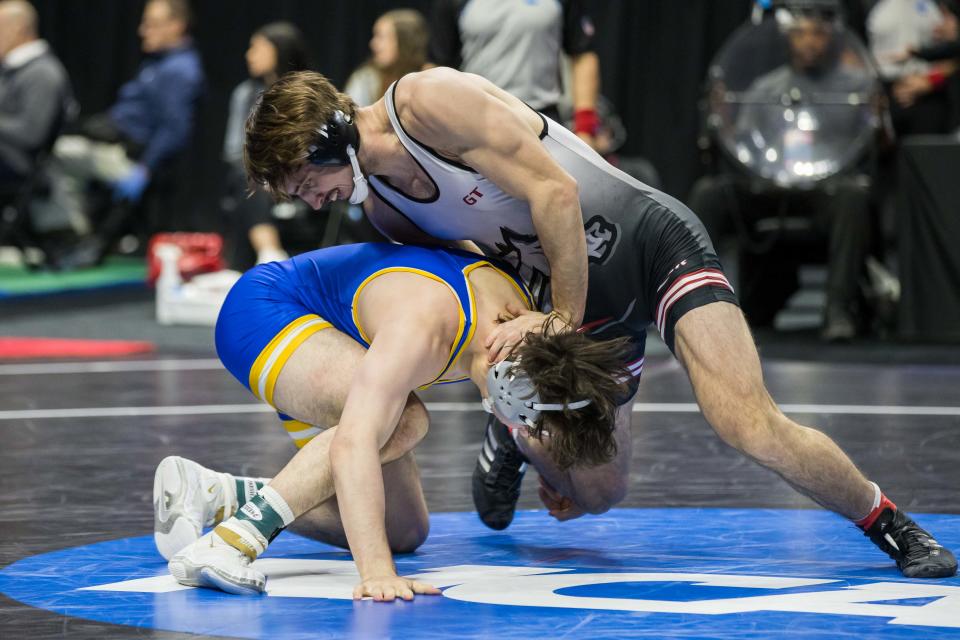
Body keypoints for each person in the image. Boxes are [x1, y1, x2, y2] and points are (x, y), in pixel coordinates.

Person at [237, 67, 957, 583]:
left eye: (305, 181)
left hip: (640, 242)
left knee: (745, 419)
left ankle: (889, 524)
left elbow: (557, 192)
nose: (310, 200)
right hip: (564, 292)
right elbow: (466, 273)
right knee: (597, 495)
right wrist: (507, 360)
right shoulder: (386, 209)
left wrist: (558, 322)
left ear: (327, 138)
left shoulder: (428, 104)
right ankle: (512, 430)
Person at [162, 241, 633, 600]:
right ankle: (227, 544)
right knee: (403, 422)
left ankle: (214, 493)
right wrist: (376, 574)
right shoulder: (426, 328)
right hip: (268, 311)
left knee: (402, 531)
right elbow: (353, 444)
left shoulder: (526, 330)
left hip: (340, 336)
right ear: (511, 380)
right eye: (521, 420)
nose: (515, 427)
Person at [689, 9, 877, 341]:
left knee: (853, 196)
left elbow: (868, 144)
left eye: (816, 34)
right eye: (800, 34)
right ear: (788, 38)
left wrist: (877, 115)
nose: (809, 42)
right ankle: (693, 304)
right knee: (711, 194)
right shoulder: (766, 87)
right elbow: (744, 145)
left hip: (825, 190)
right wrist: (725, 120)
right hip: (770, 187)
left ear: (830, 37)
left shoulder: (854, 87)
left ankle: (838, 309)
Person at [52, 0, 203, 266]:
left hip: (131, 157)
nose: (143, 30)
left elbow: (174, 130)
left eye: (152, 24)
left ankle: (79, 238)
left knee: (57, 154)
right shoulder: (157, 64)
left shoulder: (180, 71)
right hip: (112, 144)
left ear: (176, 26)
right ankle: (73, 236)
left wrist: (145, 168)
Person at [428, 0, 602, 147]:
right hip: (475, 123)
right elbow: (436, 66)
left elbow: (582, 55)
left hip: (543, 121)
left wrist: (585, 128)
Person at [222, 21, 311, 269]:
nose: (249, 55)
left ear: (279, 50)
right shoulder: (244, 94)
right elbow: (233, 149)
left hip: (298, 173)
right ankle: (269, 251)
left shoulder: (306, 93)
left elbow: (312, 145)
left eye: (257, 48)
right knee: (246, 175)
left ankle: (267, 255)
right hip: (256, 175)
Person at [0, 0, 72, 191]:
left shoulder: (43, 73)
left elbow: (31, 133)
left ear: (17, 29)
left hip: (17, 164)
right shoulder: (11, 70)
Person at [867, 0, 959, 134]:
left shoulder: (941, 5)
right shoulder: (867, 5)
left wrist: (932, 80)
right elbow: (854, 51)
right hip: (884, 91)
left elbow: (955, 53)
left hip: (932, 92)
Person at [345, 9, 429, 108]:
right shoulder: (366, 80)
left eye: (381, 37)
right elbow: (350, 119)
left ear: (405, 42)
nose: (373, 44)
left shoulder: (428, 78)